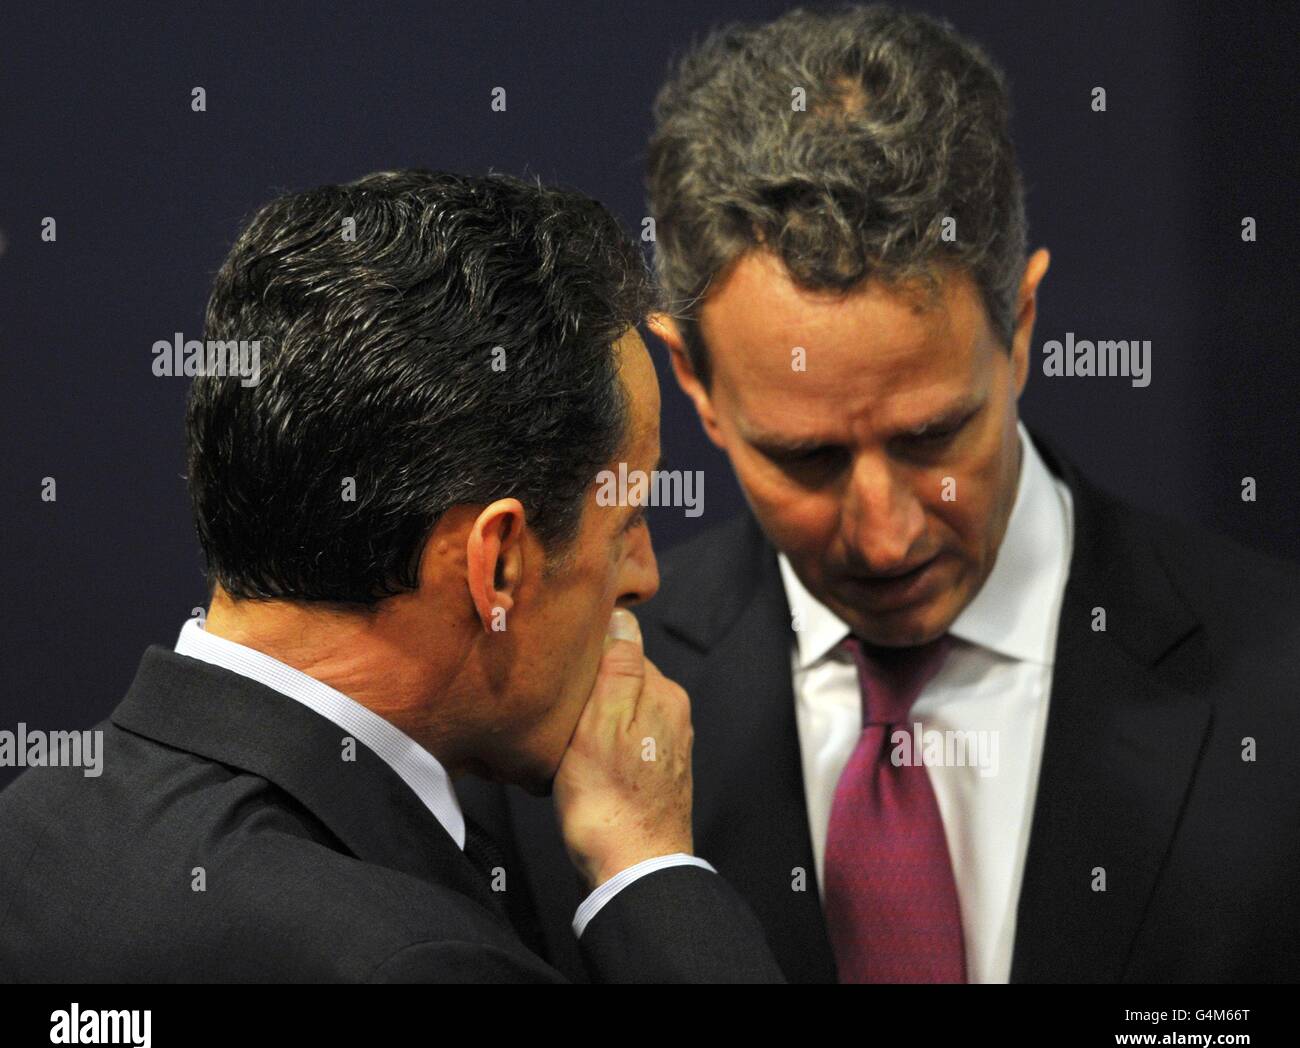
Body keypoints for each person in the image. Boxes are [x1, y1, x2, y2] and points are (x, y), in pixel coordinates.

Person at [458, 6, 1300, 983]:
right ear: (691, 380)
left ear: (1020, 326)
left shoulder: (1276, 695)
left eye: (931, 435)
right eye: (806, 456)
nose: (884, 533)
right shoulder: (547, 722)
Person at [0, 169, 784, 984]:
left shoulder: (25, 829)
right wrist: (648, 871)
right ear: (499, 564)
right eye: (626, 522)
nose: (647, 576)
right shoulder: (418, 958)